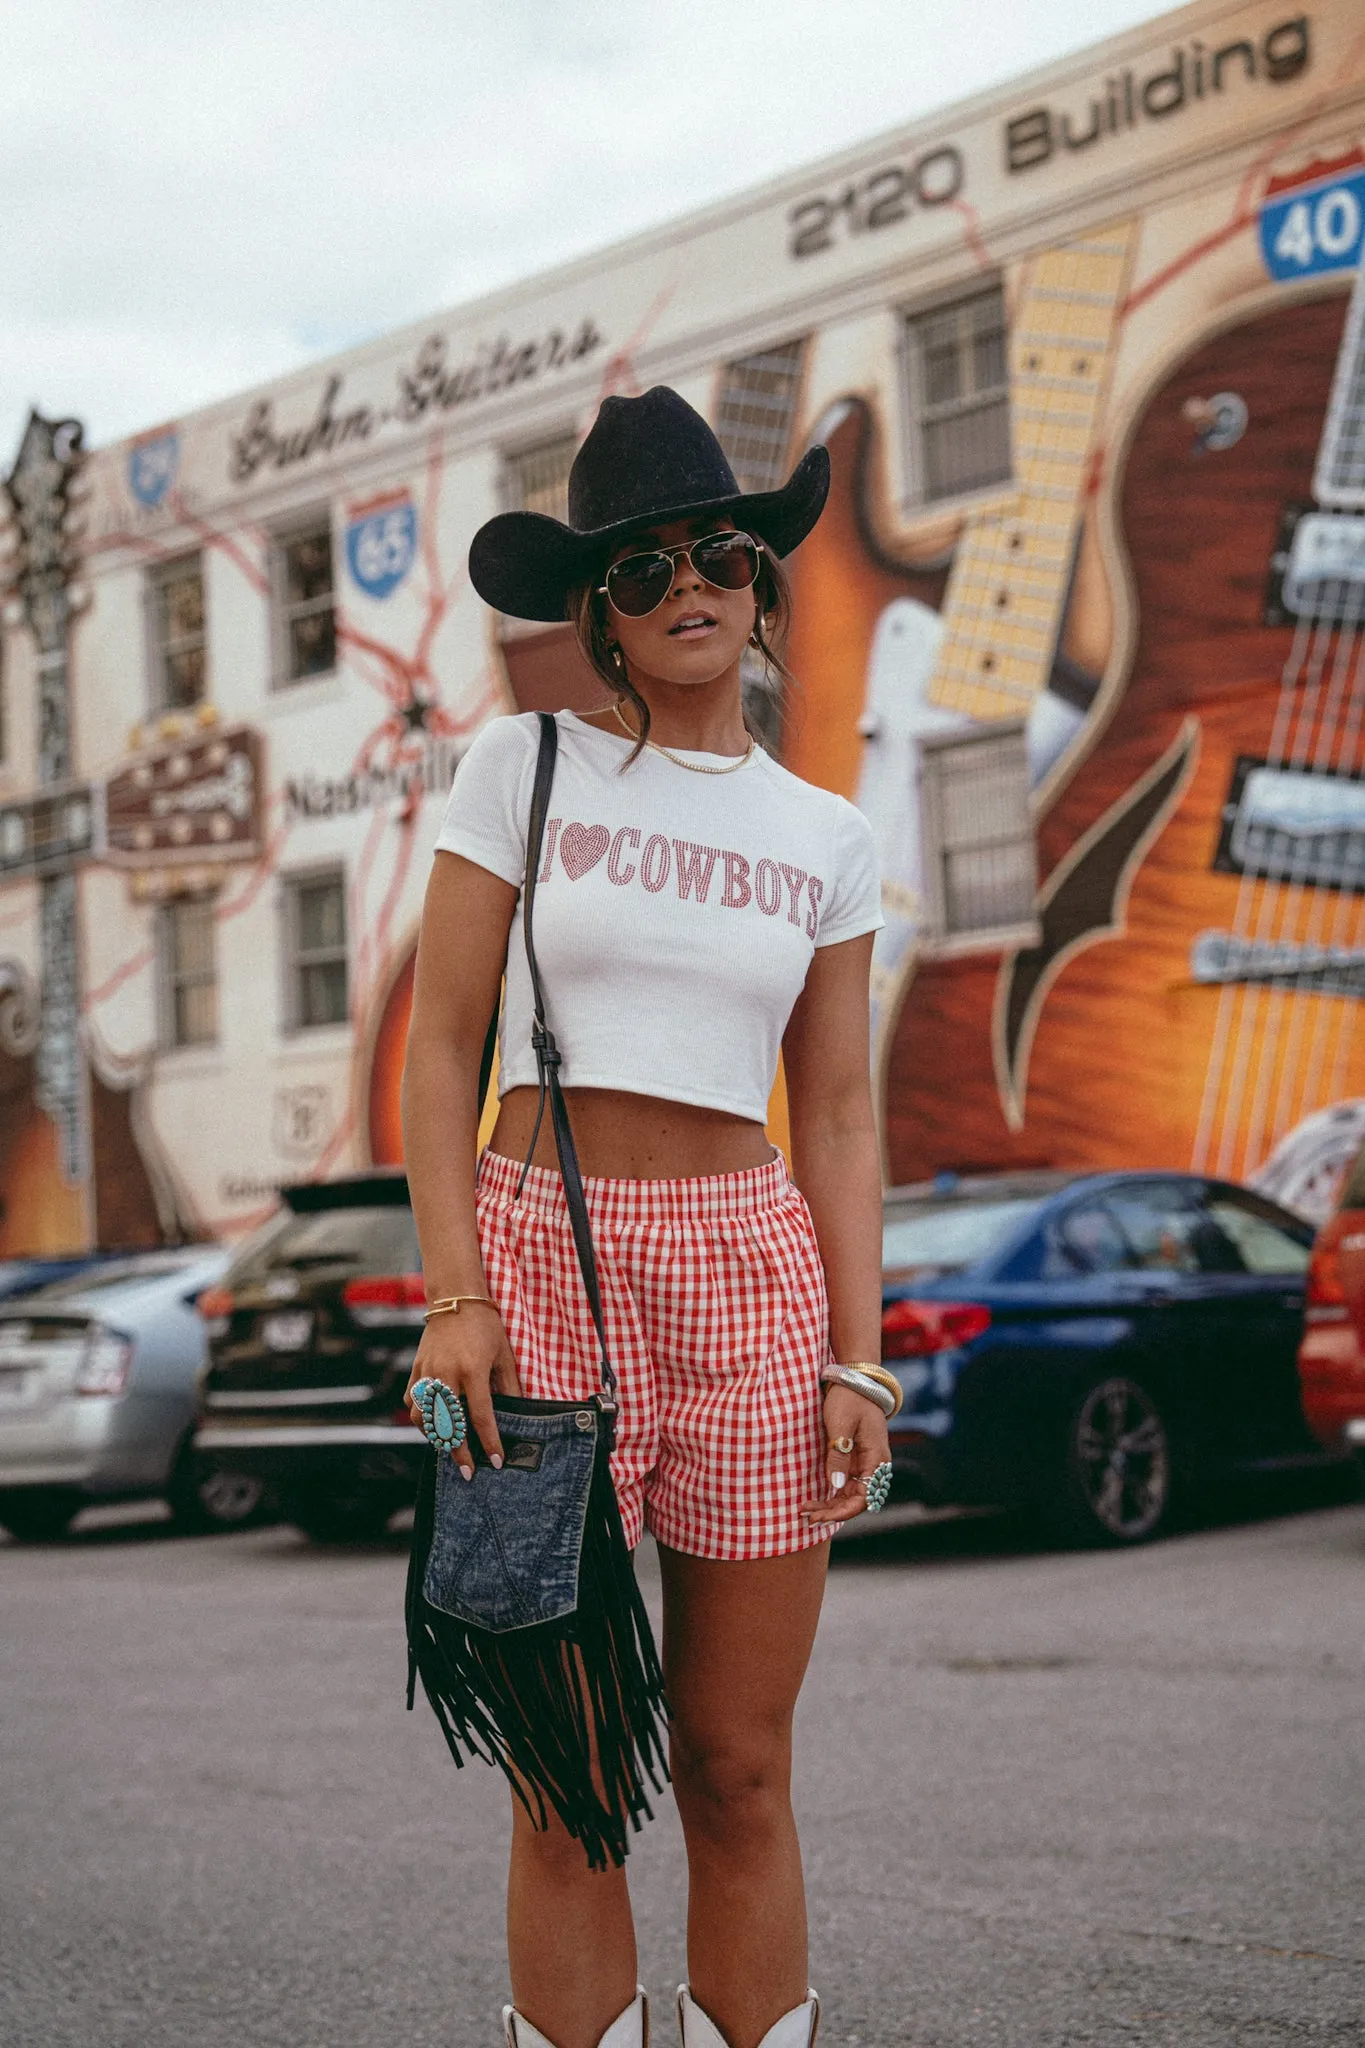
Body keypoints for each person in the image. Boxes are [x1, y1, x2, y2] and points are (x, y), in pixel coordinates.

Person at [401, 386, 893, 2048]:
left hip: (750, 1278)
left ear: (760, 584)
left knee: (741, 1771)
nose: (689, 584)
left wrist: (858, 1357)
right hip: (544, 1263)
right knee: (572, 1775)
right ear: (600, 616)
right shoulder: (521, 769)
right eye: (642, 570)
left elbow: (833, 1112)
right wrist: (455, 1290)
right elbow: (440, 1047)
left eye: (721, 554)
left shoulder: (826, 835)